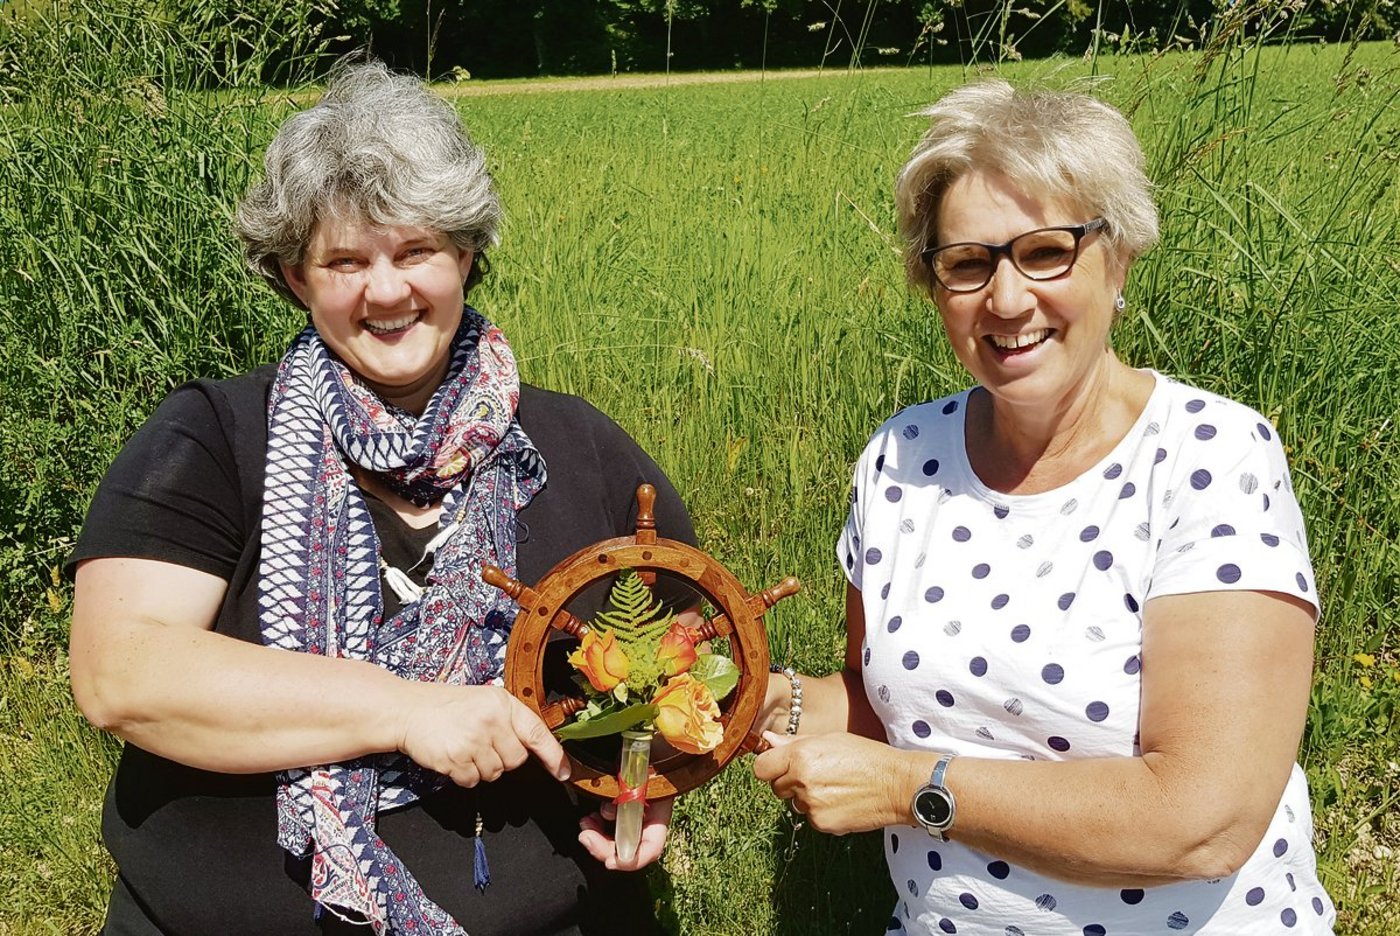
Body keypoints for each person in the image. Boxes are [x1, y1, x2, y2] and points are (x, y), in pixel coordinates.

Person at [67, 58, 690, 935]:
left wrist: (647, 776)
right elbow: (119, 674)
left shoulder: (577, 448)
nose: (387, 290)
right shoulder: (213, 438)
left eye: (418, 250)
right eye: (346, 260)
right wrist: (405, 710)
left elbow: (685, 654)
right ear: (295, 277)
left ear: (468, 255)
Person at [753, 79, 1336, 935]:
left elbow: (1202, 821)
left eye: (1045, 252)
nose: (1007, 299)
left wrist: (906, 789)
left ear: (1120, 254)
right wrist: (761, 703)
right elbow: (890, 707)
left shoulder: (1209, 457)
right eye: (968, 262)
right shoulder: (901, 459)